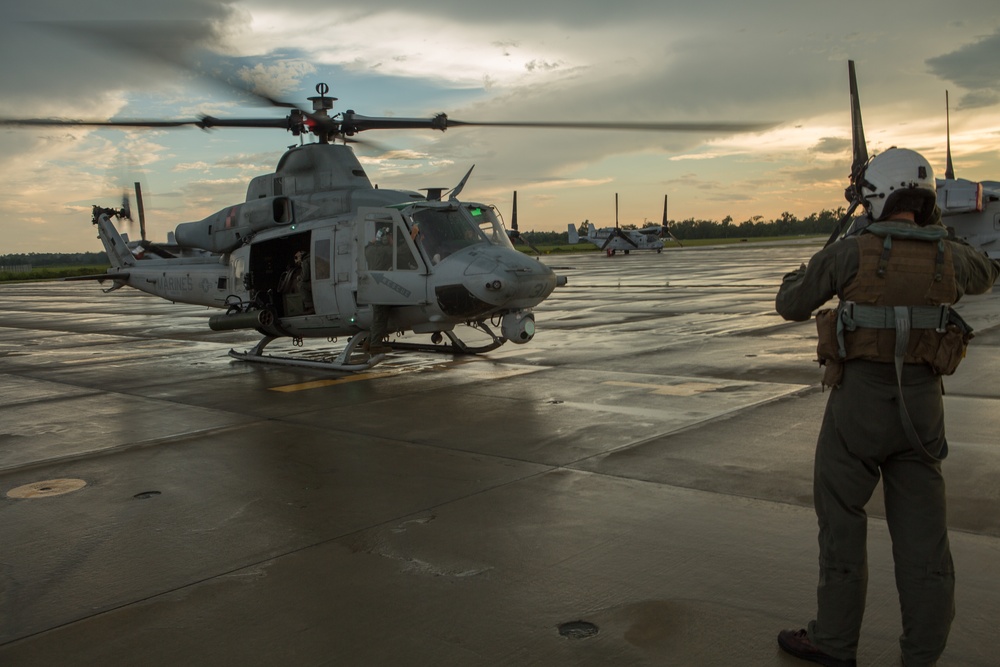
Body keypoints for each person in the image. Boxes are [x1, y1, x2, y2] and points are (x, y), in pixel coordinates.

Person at [774, 148, 1000, 667]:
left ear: (875, 197)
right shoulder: (951, 255)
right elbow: (986, 273)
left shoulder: (852, 252)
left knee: (841, 524)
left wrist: (800, 273)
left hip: (858, 410)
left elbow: (790, 304)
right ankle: (921, 654)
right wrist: (938, 230)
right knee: (925, 543)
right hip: (922, 414)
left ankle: (833, 642)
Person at [363, 226, 395, 354]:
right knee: (380, 317)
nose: (392, 239)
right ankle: (375, 345)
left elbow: (369, 245)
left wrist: (373, 241)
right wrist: (413, 235)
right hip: (381, 287)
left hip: (372, 287)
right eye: (390, 236)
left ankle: (368, 343)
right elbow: (403, 251)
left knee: (377, 316)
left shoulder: (369, 250)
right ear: (385, 239)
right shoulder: (385, 251)